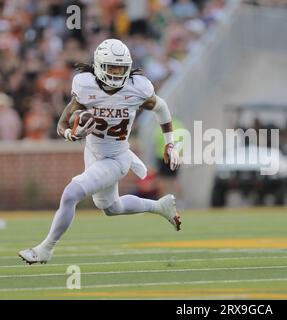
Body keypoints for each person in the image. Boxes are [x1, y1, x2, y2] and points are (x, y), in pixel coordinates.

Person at [18, 39, 182, 264]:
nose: (116, 74)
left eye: (121, 68)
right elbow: (62, 124)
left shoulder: (137, 88)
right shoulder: (86, 86)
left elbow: (161, 107)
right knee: (111, 207)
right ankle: (159, 206)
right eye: (111, 68)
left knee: (71, 193)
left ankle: (45, 248)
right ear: (99, 66)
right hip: (92, 152)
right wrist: (71, 135)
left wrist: (169, 143)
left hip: (116, 158)